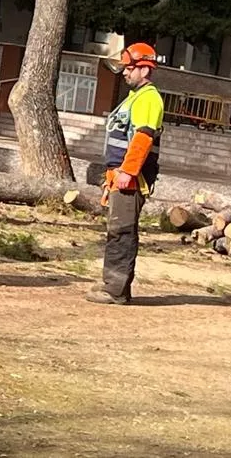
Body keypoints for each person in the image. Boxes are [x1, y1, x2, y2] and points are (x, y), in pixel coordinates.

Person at [89, 42, 164, 306]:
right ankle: (113, 285)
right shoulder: (135, 97)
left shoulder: (149, 98)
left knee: (121, 231)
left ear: (145, 69)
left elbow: (142, 138)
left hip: (131, 177)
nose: (124, 73)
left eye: (129, 68)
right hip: (120, 174)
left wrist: (128, 172)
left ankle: (116, 290)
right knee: (116, 230)